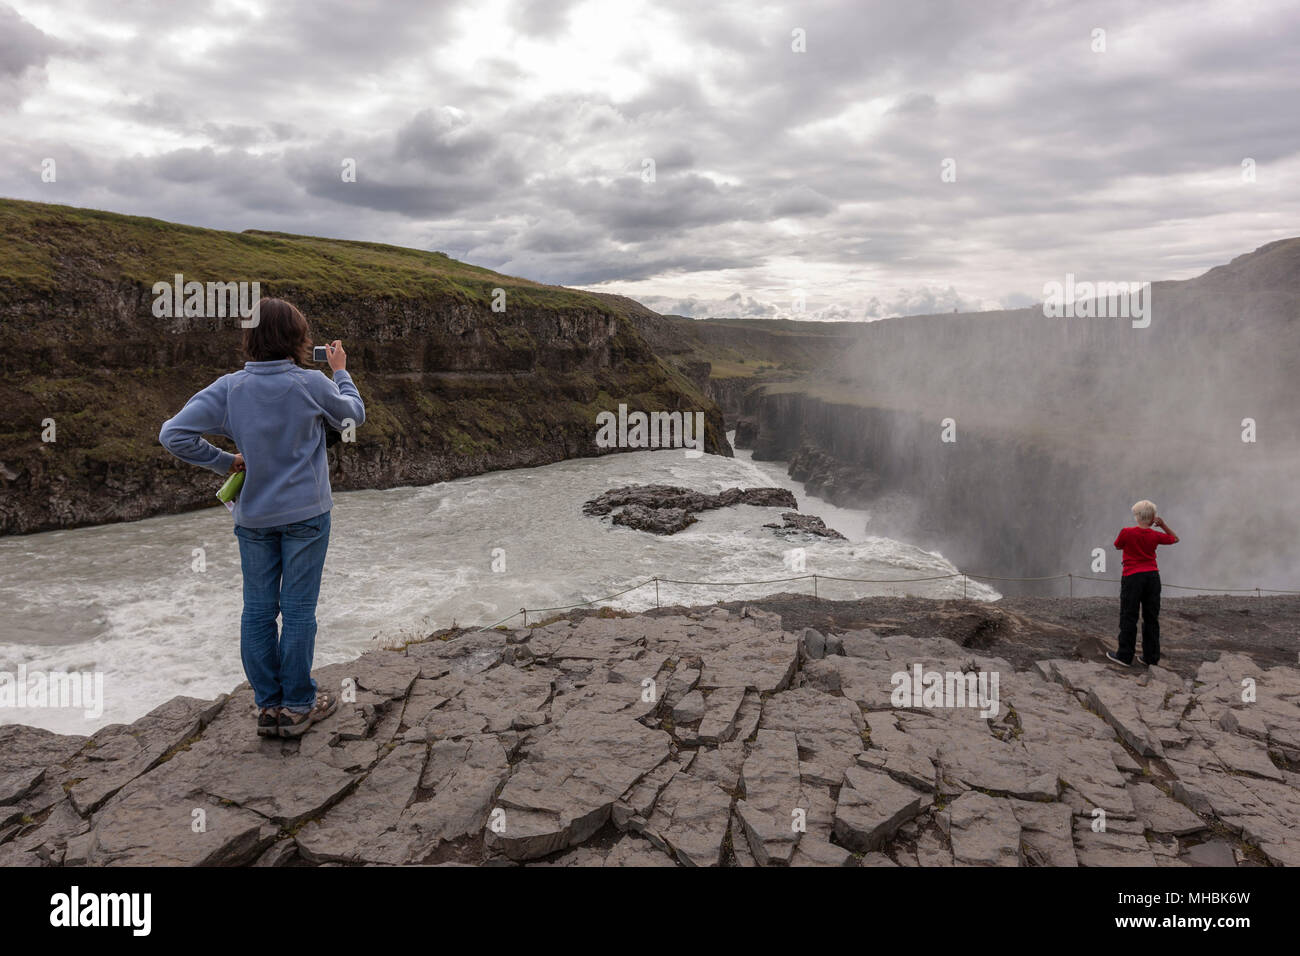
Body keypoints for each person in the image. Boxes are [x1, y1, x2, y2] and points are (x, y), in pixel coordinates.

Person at [159, 298, 365, 738]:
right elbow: (353, 416)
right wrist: (341, 371)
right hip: (307, 513)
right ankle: (298, 705)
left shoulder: (230, 388)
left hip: (253, 517)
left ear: (250, 338)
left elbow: (172, 434)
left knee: (257, 611)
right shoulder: (310, 381)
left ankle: (269, 707)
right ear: (297, 339)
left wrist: (222, 461)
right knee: (298, 610)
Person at [1106, 499, 1178, 668]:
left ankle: (1124, 656)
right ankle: (1150, 657)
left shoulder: (1127, 532)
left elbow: (1117, 546)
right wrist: (1163, 525)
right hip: (1153, 577)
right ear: (1153, 518)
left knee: (1129, 615)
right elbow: (1175, 539)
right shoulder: (1155, 535)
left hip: (1133, 577)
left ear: (1137, 516)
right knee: (1151, 618)